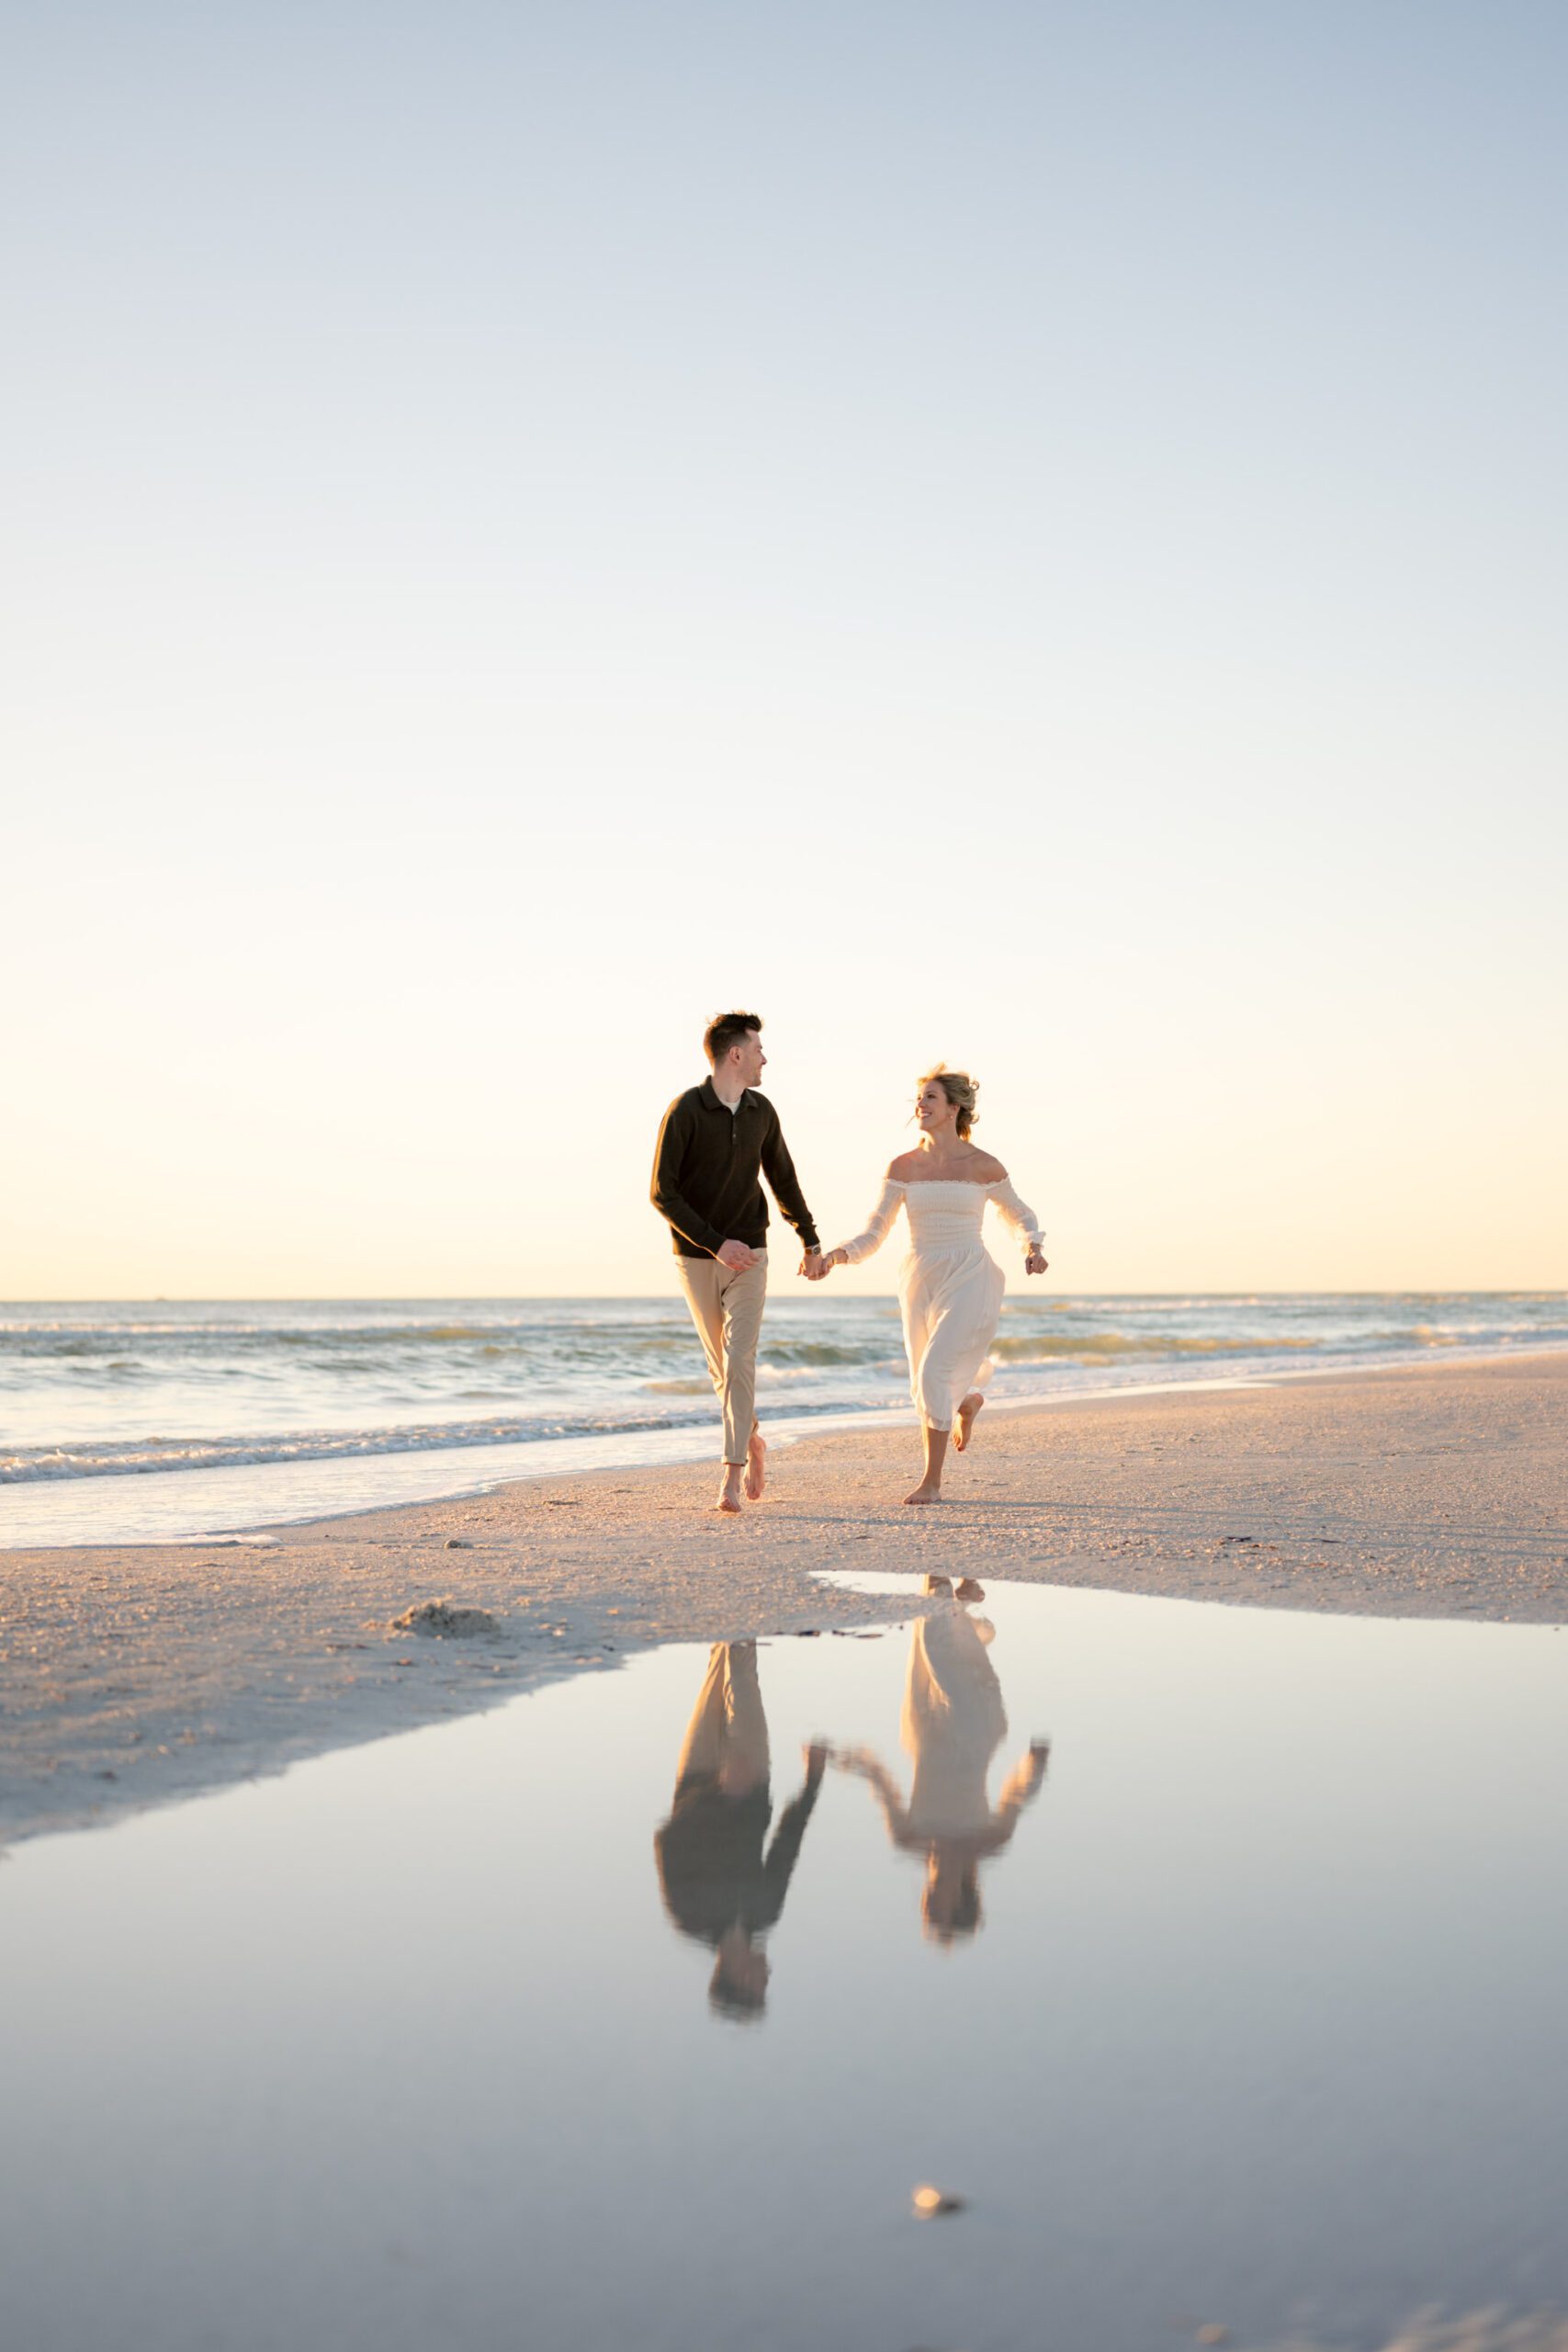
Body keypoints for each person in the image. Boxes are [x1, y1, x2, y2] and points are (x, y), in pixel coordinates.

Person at [810, 1066, 1047, 1503]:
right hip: (920, 1274)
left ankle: (931, 1482)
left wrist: (1031, 1246)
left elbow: (1017, 1213)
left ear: (954, 1107)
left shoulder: (983, 1165)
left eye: (930, 1098)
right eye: (918, 1098)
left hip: (971, 1272)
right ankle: (966, 1401)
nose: (920, 1105)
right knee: (924, 1379)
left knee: (936, 1369)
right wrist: (836, 1256)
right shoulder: (903, 1166)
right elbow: (875, 1230)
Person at [650, 1012, 823, 1513]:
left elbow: (783, 1179)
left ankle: (730, 1476)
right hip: (696, 1255)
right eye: (759, 1048)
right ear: (736, 1054)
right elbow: (663, 1193)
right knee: (722, 1368)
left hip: (752, 1250)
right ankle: (752, 1438)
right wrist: (713, 1243)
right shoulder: (685, 1110)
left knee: (740, 1356)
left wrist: (809, 1240)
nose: (766, 1057)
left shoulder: (761, 1111)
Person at [829, 1580, 1051, 1944]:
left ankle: (950, 1595)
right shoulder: (988, 1841)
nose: (925, 1909)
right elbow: (1016, 1796)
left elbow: (878, 1779)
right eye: (938, 1915)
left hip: (926, 1729)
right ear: (961, 1902)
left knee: (927, 1646)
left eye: (926, 1917)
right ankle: (941, 1584)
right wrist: (1035, 1764)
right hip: (973, 1733)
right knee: (939, 1650)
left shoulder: (909, 1839)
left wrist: (836, 1757)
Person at [653, 1640, 827, 2019]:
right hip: (753, 1780)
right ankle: (744, 1600)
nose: (768, 1975)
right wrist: (812, 1782)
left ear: (736, 1976)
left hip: (697, 1778)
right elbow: (786, 1844)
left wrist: (719, 1794)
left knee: (718, 1665)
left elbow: (667, 1841)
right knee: (744, 1676)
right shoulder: (765, 1912)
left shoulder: (690, 1916)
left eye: (759, 1985)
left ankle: (724, 1597)